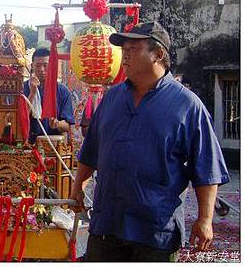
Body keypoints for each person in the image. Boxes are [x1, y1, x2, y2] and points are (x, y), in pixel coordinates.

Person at [70, 22, 229, 262]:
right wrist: (78, 185)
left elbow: (206, 167)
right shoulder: (112, 99)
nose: (125, 55)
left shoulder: (187, 105)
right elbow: (92, 149)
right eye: (124, 49)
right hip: (107, 224)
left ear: (158, 54)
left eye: (133, 48)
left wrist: (205, 220)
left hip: (155, 231)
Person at [23, 47, 75, 144]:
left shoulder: (62, 90)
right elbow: (21, 119)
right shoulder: (23, 88)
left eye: (45, 65)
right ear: (32, 66)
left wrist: (57, 124)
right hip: (28, 142)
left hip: (53, 145)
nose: (42, 70)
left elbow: (67, 125)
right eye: (38, 66)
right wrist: (32, 93)